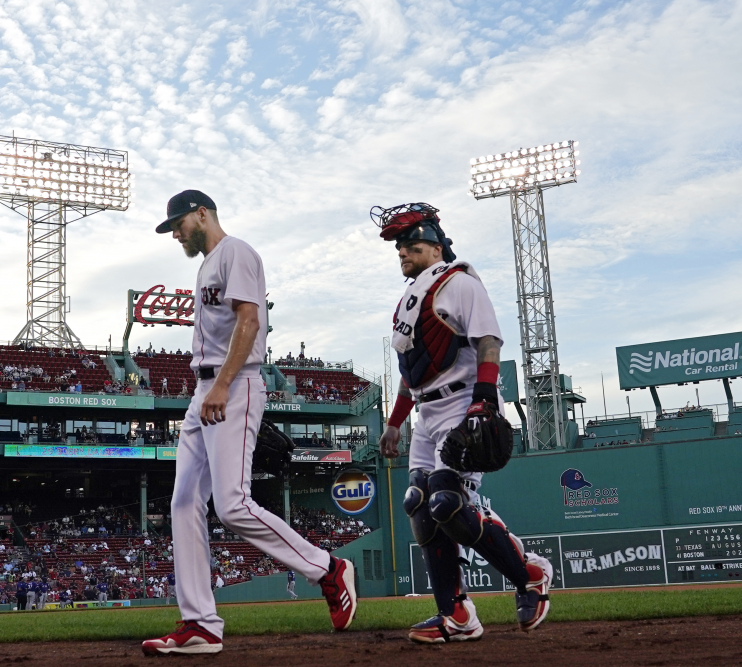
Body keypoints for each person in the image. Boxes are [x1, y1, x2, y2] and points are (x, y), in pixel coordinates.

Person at [141, 190, 356, 657]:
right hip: (207, 390)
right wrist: (207, 389)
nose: (175, 232)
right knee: (182, 503)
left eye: (178, 223)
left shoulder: (235, 251)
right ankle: (200, 623)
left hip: (231, 386)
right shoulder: (207, 265)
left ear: (203, 214)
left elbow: (250, 322)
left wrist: (221, 385)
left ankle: (327, 569)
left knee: (233, 505)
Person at [374, 202, 552, 644]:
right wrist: (395, 423)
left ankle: (529, 575)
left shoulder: (459, 282)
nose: (402, 253)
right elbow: (411, 369)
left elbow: (488, 338)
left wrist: (485, 397)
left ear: (435, 247)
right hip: (426, 412)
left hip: (460, 405)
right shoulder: (411, 298)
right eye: (399, 248)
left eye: (411, 245)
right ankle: (455, 614)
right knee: (418, 503)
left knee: (447, 504)